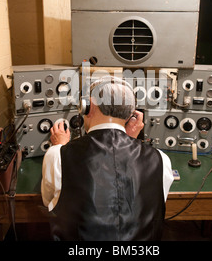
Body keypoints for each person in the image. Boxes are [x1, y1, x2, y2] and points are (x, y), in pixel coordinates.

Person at [41, 76, 173, 241]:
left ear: (88, 106)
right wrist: (128, 138)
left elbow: (49, 202)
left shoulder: (58, 155)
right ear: (130, 114)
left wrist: (60, 146)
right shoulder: (160, 159)